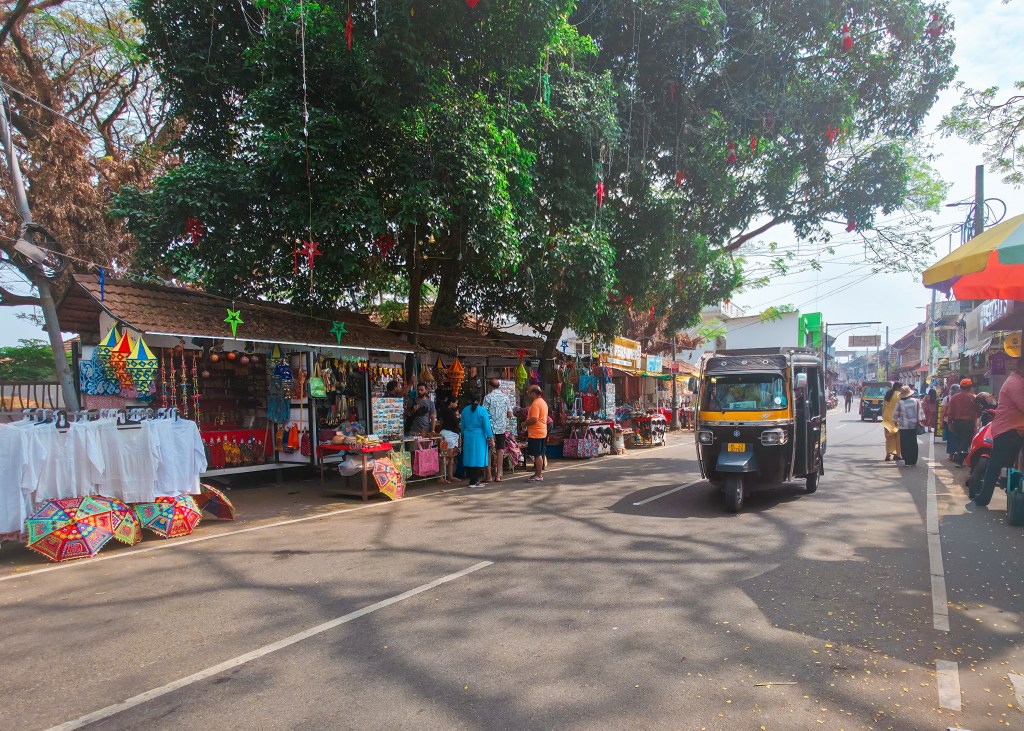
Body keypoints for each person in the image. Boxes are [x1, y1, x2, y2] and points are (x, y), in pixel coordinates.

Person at [973, 359, 1024, 506]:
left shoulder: (1017, 381)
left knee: (1000, 466)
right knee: (995, 466)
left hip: (1012, 429)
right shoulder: (1016, 383)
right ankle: (983, 497)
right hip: (1008, 430)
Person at [482, 379, 513, 482]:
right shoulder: (505, 397)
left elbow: (483, 413)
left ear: (490, 386)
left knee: (489, 450)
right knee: (500, 450)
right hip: (501, 428)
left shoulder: (488, 398)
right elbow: (510, 414)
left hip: (489, 428)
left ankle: (489, 476)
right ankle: (498, 475)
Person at [460, 395, 494, 487]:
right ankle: (474, 481)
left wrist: (463, 435)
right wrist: (491, 437)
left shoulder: (464, 410)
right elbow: (487, 425)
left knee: (470, 457)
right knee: (479, 458)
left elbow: (462, 426)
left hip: (468, 436)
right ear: (479, 401)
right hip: (479, 437)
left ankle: (473, 480)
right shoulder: (482, 410)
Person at [947, 378, 982, 467]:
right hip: (968, 422)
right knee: (965, 441)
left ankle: (959, 458)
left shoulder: (954, 398)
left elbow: (950, 412)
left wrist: (950, 423)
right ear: (970, 387)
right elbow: (979, 410)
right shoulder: (973, 397)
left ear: (961, 387)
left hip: (956, 422)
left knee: (958, 440)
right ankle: (960, 459)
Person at [893, 385, 923, 466]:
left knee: (905, 443)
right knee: (913, 442)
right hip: (914, 426)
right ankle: (913, 460)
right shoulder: (916, 401)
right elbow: (921, 414)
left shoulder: (899, 403)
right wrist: (919, 421)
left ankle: (907, 460)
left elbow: (895, 415)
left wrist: (895, 423)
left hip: (903, 427)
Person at [436, 393, 461, 485]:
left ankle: (449, 476)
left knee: (451, 457)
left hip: (451, 435)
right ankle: (441, 477)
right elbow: (456, 422)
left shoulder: (444, 410)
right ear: (451, 403)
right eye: (456, 403)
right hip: (449, 435)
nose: (456, 405)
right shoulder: (449, 412)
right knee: (446, 457)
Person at [525, 385, 548, 482]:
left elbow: (534, 419)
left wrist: (524, 423)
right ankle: (537, 473)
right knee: (538, 454)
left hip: (536, 432)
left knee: (537, 454)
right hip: (541, 431)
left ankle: (539, 475)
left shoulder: (535, 404)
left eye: (529, 392)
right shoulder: (543, 402)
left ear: (533, 393)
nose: (528, 394)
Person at [881, 381, 903, 462]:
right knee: (897, 438)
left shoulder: (887, 394)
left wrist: (883, 416)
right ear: (898, 388)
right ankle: (897, 455)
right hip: (895, 419)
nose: (901, 389)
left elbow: (883, 407)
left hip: (886, 418)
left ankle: (888, 454)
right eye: (901, 388)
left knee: (888, 437)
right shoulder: (899, 395)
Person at [941, 383, 960, 459]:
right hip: (958, 420)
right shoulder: (959, 398)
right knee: (957, 437)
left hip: (948, 420)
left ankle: (951, 455)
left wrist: (941, 420)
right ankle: (956, 454)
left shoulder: (946, 398)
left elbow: (943, 410)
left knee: (950, 438)